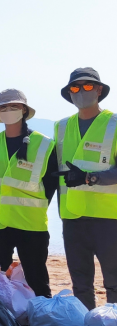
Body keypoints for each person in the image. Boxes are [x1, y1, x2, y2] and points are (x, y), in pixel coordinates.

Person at [0, 89, 57, 298]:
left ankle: (41, 324)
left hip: (31, 223)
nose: (8, 111)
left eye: (14, 107)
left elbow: (50, 185)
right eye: (3, 107)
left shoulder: (44, 144)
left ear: (24, 110)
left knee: (36, 280)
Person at [54, 68, 117, 309]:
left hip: (109, 219)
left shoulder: (114, 123)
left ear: (99, 90)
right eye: (75, 87)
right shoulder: (60, 127)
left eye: (88, 86)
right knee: (80, 285)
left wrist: (91, 177)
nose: (81, 91)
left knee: (113, 284)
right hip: (73, 218)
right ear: (69, 93)